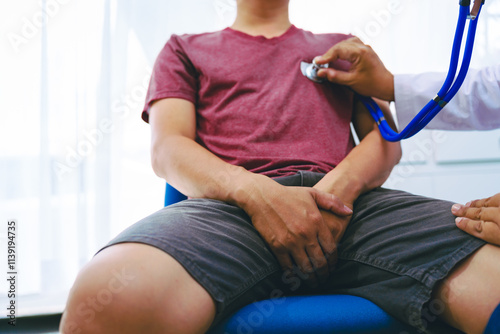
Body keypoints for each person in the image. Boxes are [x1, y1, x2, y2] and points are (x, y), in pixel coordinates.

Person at [59, 1, 500, 333]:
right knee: (104, 301)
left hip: (354, 210)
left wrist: (334, 193)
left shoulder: (341, 49)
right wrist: (258, 195)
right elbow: (168, 148)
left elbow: (385, 139)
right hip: (230, 213)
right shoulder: (184, 49)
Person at [314, 37, 500, 248]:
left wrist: (336, 190)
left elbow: (385, 142)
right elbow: (490, 90)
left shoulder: (336, 44)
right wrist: (388, 85)